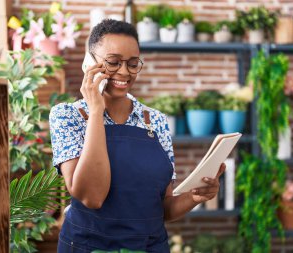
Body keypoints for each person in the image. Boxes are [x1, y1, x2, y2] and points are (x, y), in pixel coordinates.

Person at [49, 19, 226, 253]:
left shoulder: (156, 121)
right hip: (87, 247)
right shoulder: (67, 116)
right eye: (113, 62)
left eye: (132, 64)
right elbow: (92, 197)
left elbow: (162, 208)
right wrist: (95, 111)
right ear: (89, 62)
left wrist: (195, 196)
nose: (124, 72)